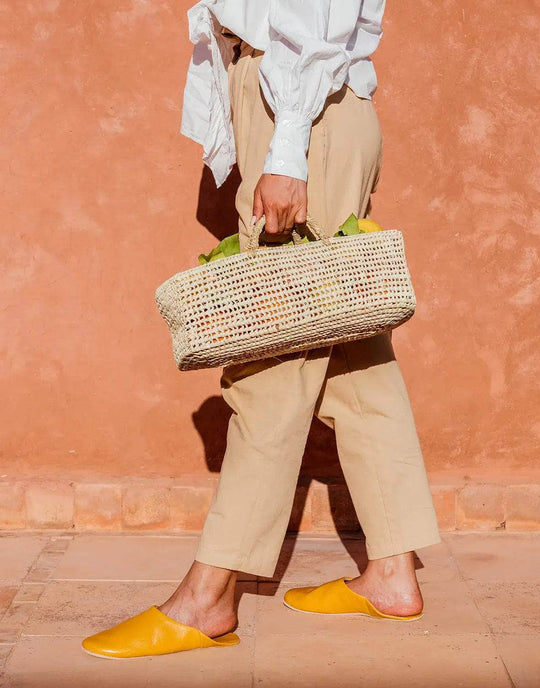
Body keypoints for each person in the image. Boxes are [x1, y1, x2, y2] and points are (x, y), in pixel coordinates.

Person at [81, 0, 442, 659]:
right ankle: (392, 573)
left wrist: (286, 151)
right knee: (356, 364)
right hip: (315, 112)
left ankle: (209, 595)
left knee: (273, 364)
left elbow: (311, 16)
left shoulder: (294, 121)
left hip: (301, 114)